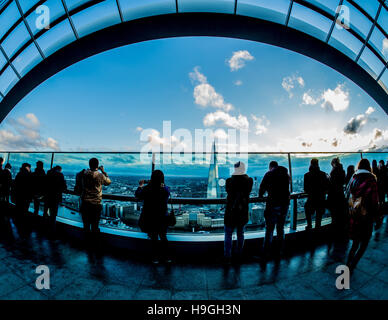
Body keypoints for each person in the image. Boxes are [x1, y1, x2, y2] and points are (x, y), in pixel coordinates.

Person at [345, 159, 381, 273]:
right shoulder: (371, 180)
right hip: (366, 217)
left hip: (354, 215)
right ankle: (352, 265)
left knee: (355, 243)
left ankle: (348, 264)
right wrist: (377, 217)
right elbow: (375, 201)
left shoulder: (353, 178)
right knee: (364, 243)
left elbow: (348, 195)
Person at [135, 170, 171, 264]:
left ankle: (155, 258)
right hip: (163, 217)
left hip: (151, 217)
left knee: (154, 238)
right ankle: (167, 257)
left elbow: (138, 195)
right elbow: (167, 190)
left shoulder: (147, 189)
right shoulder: (165, 190)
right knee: (163, 237)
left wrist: (140, 185)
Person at [259, 161, 290, 258]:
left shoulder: (269, 174)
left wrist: (261, 195)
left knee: (269, 230)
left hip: (272, 204)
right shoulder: (286, 175)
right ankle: (279, 251)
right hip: (284, 205)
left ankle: (265, 253)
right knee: (280, 229)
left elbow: (262, 188)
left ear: (270, 166)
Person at [224, 161, 253, 264]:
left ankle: (227, 256)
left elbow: (229, 192)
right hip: (242, 212)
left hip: (230, 212)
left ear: (234, 169)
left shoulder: (229, 181)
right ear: (244, 169)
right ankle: (239, 254)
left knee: (228, 234)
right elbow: (247, 191)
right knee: (240, 234)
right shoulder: (249, 180)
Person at [79, 158, 111, 243]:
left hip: (85, 203)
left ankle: (87, 242)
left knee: (86, 225)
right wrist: (103, 171)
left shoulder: (84, 173)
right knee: (95, 225)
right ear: (97, 165)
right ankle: (94, 243)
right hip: (96, 204)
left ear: (89, 164)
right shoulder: (100, 175)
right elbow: (108, 182)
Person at [304, 158, 329, 230]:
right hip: (321, 199)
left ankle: (309, 225)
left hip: (311, 199)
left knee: (307, 210)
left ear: (310, 164)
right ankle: (317, 231)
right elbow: (326, 187)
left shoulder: (307, 175)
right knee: (318, 219)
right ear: (318, 164)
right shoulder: (323, 174)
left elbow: (306, 189)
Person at [327, 157, 346, 236]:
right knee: (340, 213)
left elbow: (332, 183)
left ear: (333, 164)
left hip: (333, 194)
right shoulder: (342, 171)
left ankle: (335, 231)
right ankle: (341, 230)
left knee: (334, 214)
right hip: (340, 194)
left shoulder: (334, 171)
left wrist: (328, 178)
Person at [45, 166, 67, 231]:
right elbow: (64, 186)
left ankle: (44, 225)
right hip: (55, 197)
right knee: (53, 214)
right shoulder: (60, 175)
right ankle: (51, 228)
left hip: (48, 196)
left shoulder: (48, 173)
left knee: (46, 211)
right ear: (59, 170)